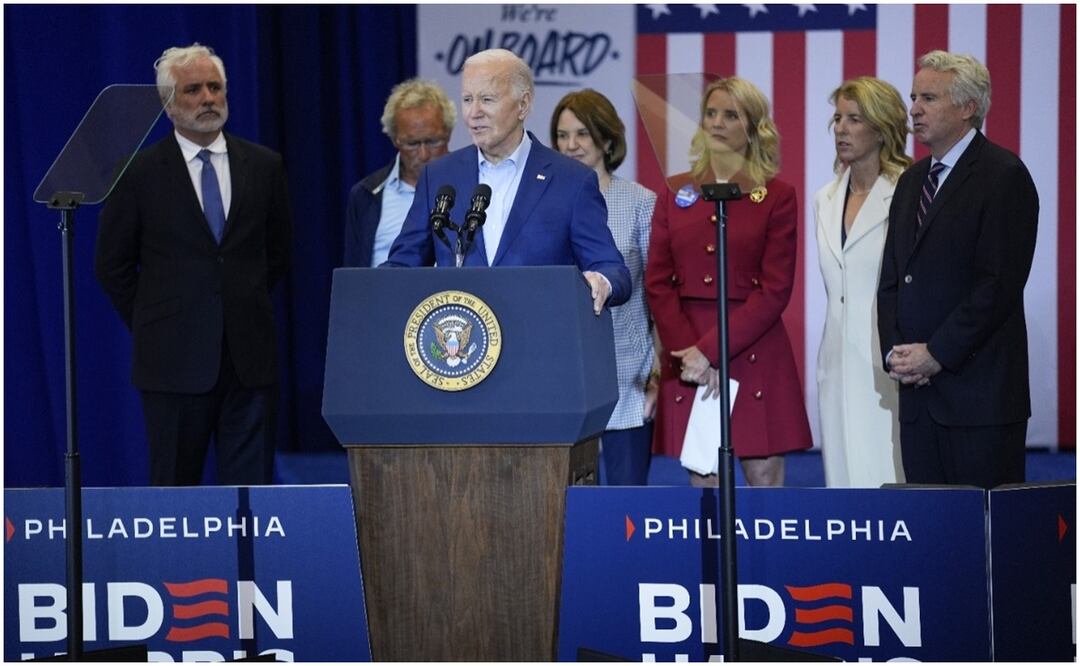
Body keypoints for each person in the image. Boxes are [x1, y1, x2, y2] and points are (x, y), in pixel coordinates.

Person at [94, 44, 293, 486]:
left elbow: (277, 253)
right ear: (168, 104)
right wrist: (157, 320)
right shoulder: (138, 173)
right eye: (193, 90)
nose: (208, 98)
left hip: (250, 362)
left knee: (251, 499)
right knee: (173, 492)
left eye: (215, 87)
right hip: (171, 363)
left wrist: (237, 304)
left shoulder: (264, 166)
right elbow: (112, 266)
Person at [877, 51, 1038, 489]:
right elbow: (893, 279)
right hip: (917, 395)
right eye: (913, 97)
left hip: (978, 400)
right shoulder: (912, 181)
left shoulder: (1004, 175)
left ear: (968, 108)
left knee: (985, 539)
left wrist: (937, 354)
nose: (913, 108)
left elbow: (998, 286)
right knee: (931, 536)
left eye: (928, 97)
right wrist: (896, 353)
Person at [645, 77, 811, 487]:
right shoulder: (675, 192)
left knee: (765, 477)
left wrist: (710, 352)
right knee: (705, 480)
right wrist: (692, 357)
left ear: (754, 128)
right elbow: (658, 282)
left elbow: (775, 290)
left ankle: (769, 557)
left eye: (731, 115)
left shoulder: (777, 195)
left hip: (752, 346)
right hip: (689, 350)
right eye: (711, 113)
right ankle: (713, 555)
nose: (717, 123)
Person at [384, 48, 631, 313]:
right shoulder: (439, 176)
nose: (474, 112)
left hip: (540, 342)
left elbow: (612, 269)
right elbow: (403, 266)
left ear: (522, 105)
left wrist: (601, 282)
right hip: (461, 345)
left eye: (487, 99)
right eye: (467, 99)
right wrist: (366, 286)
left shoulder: (572, 180)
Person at [551, 89, 659, 485]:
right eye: (562, 136)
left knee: (627, 508)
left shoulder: (641, 203)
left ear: (608, 140)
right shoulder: (542, 205)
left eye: (583, 133)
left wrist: (658, 375)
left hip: (628, 375)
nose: (571, 145)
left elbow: (658, 294)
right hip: (561, 378)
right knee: (567, 507)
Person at [813, 77, 910, 488]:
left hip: (892, 360)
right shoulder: (825, 197)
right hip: (836, 362)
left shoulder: (911, 189)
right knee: (843, 483)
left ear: (882, 127)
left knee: (892, 479)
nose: (841, 128)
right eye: (838, 118)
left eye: (854, 119)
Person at [344, 79, 455, 267]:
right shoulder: (366, 194)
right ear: (395, 140)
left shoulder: (474, 185)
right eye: (412, 144)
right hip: (385, 295)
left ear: (448, 133)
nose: (424, 154)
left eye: (433, 141)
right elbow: (354, 275)